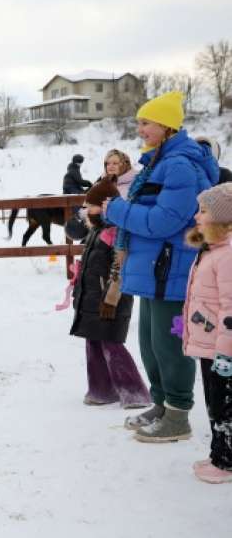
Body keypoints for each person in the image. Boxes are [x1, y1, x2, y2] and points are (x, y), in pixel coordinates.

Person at [103, 91, 220, 442]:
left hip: (172, 268)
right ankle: (161, 403)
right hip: (154, 269)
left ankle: (178, 415)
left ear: (167, 125)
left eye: (145, 122)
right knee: (151, 344)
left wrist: (114, 209)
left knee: (170, 347)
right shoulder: (157, 162)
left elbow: (163, 222)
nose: (139, 129)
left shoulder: (180, 164)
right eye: (138, 122)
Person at [70, 177, 150, 408]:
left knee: (111, 343)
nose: (85, 210)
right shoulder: (96, 230)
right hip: (91, 297)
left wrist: (111, 299)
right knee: (93, 342)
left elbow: (119, 268)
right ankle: (101, 390)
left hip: (108, 299)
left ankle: (134, 392)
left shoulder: (116, 232)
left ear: (103, 206)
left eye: (89, 205)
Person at [180, 182, 232, 483]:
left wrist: (226, 351)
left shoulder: (227, 255)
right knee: (214, 402)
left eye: (204, 210)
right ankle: (219, 454)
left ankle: (226, 462)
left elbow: (229, 309)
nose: (197, 216)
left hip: (222, 348)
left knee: (225, 406)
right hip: (209, 342)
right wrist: (189, 321)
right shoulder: (211, 249)